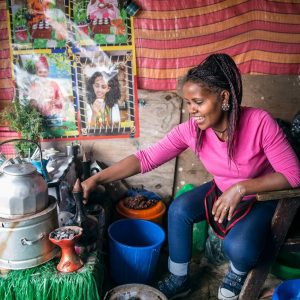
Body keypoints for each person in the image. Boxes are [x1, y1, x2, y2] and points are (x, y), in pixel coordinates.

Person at [81, 53, 300, 299]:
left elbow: (293, 175)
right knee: (179, 209)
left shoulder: (260, 122)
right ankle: (179, 278)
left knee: (239, 248)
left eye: (198, 102)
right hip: (223, 189)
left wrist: (240, 189)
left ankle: (236, 274)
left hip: (261, 195)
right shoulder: (192, 130)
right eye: (188, 102)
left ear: (224, 97)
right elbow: (145, 159)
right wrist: (97, 178)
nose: (192, 110)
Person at [28, 55, 64, 122]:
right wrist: (34, 104)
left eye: (45, 72)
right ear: (36, 72)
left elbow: (61, 100)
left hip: (53, 117)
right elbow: (30, 102)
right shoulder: (33, 86)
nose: (43, 74)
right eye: (40, 72)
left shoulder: (54, 84)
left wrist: (56, 102)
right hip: (39, 118)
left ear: (48, 72)